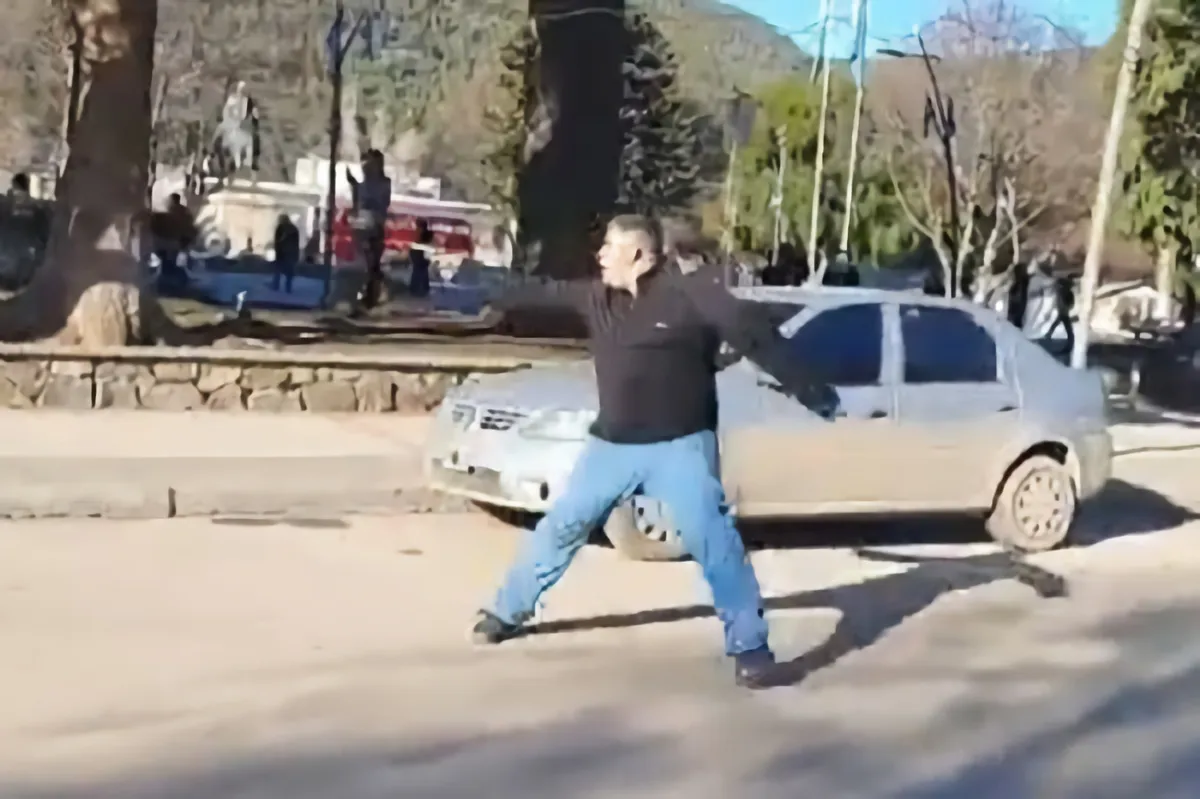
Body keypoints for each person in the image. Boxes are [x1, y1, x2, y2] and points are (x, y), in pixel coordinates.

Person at [470, 214, 839, 689]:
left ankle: (751, 648)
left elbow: (754, 334)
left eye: (610, 247)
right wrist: (492, 287)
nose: (600, 256)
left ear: (640, 255)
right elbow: (543, 291)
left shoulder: (691, 296)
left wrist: (812, 391)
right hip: (611, 447)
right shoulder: (597, 298)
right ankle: (507, 611)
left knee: (713, 540)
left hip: (680, 447)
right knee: (563, 524)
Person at [346, 149, 391, 312]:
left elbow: (381, 203)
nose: (364, 168)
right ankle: (367, 294)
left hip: (374, 226)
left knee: (372, 263)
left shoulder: (382, 183)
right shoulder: (363, 184)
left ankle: (372, 295)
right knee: (365, 262)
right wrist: (353, 184)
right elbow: (357, 203)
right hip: (364, 226)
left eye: (368, 164)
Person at [271, 213, 300, 293]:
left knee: (278, 270)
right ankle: (288, 287)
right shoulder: (294, 228)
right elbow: (296, 243)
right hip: (290, 254)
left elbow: (277, 241)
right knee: (289, 272)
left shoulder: (281, 228)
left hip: (282, 253)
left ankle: (276, 285)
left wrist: (277, 250)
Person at [408, 218, 433, 298]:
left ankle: (415, 288)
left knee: (417, 271)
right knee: (422, 271)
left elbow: (415, 243)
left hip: (419, 253)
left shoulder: (420, 232)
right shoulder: (428, 233)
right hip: (422, 253)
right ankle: (423, 288)